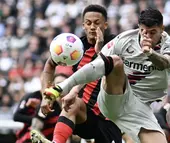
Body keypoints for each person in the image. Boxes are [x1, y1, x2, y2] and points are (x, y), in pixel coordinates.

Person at [43, 8, 170, 143]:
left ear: (162, 28)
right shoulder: (123, 40)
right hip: (113, 99)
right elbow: (96, 66)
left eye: (152, 32)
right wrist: (71, 89)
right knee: (115, 62)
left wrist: (150, 53)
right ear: (139, 27)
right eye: (144, 31)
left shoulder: (169, 46)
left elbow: (166, 63)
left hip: (139, 108)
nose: (147, 36)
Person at [30, 4, 123, 143]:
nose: (92, 27)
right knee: (72, 104)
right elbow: (49, 65)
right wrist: (46, 96)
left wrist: (100, 50)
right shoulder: (74, 46)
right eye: (88, 23)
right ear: (83, 25)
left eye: (97, 23)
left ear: (105, 25)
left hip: (111, 119)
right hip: (85, 114)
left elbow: (103, 70)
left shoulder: (116, 45)